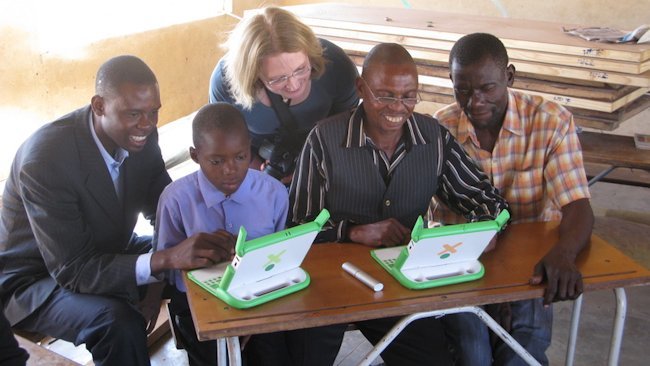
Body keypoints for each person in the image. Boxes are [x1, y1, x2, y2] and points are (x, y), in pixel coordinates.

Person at [0, 55, 231, 366]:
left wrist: (193, 246)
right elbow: (74, 269)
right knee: (116, 322)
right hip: (36, 279)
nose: (147, 125)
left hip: (102, 249)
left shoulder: (141, 135)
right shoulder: (45, 161)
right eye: (134, 113)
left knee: (201, 260)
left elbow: (165, 207)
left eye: (154, 112)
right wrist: (163, 260)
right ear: (99, 106)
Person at [289, 42, 509, 366]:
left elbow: (486, 199)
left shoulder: (433, 138)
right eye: (386, 95)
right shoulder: (324, 139)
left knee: (434, 361)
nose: (398, 107)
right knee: (303, 358)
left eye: (408, 96)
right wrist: (352, 232)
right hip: (330, 286)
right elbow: (297, 227)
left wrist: (484, 230)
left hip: (400, 284)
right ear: (361, 89)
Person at [433, 33, 594, 366]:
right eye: (463, 89)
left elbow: (577, 205)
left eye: (487, 89)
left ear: (509, 76)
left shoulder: (550, 122)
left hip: (530, 264)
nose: (475, 101)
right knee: (472, 355)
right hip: (464, 265)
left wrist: (563, 254)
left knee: (524, 354)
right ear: (450, 80)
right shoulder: (440, 129)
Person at [209, 6, 359, 181]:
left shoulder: (337, 65)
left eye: (301, 69)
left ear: (310, 54)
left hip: (322, 154)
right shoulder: (225, 82)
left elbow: (346, 128)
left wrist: (312, 169)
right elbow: (226, 142)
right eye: (277, 79)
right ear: (253, 75)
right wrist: (263, 175)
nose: (294, 85)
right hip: (257, 162)